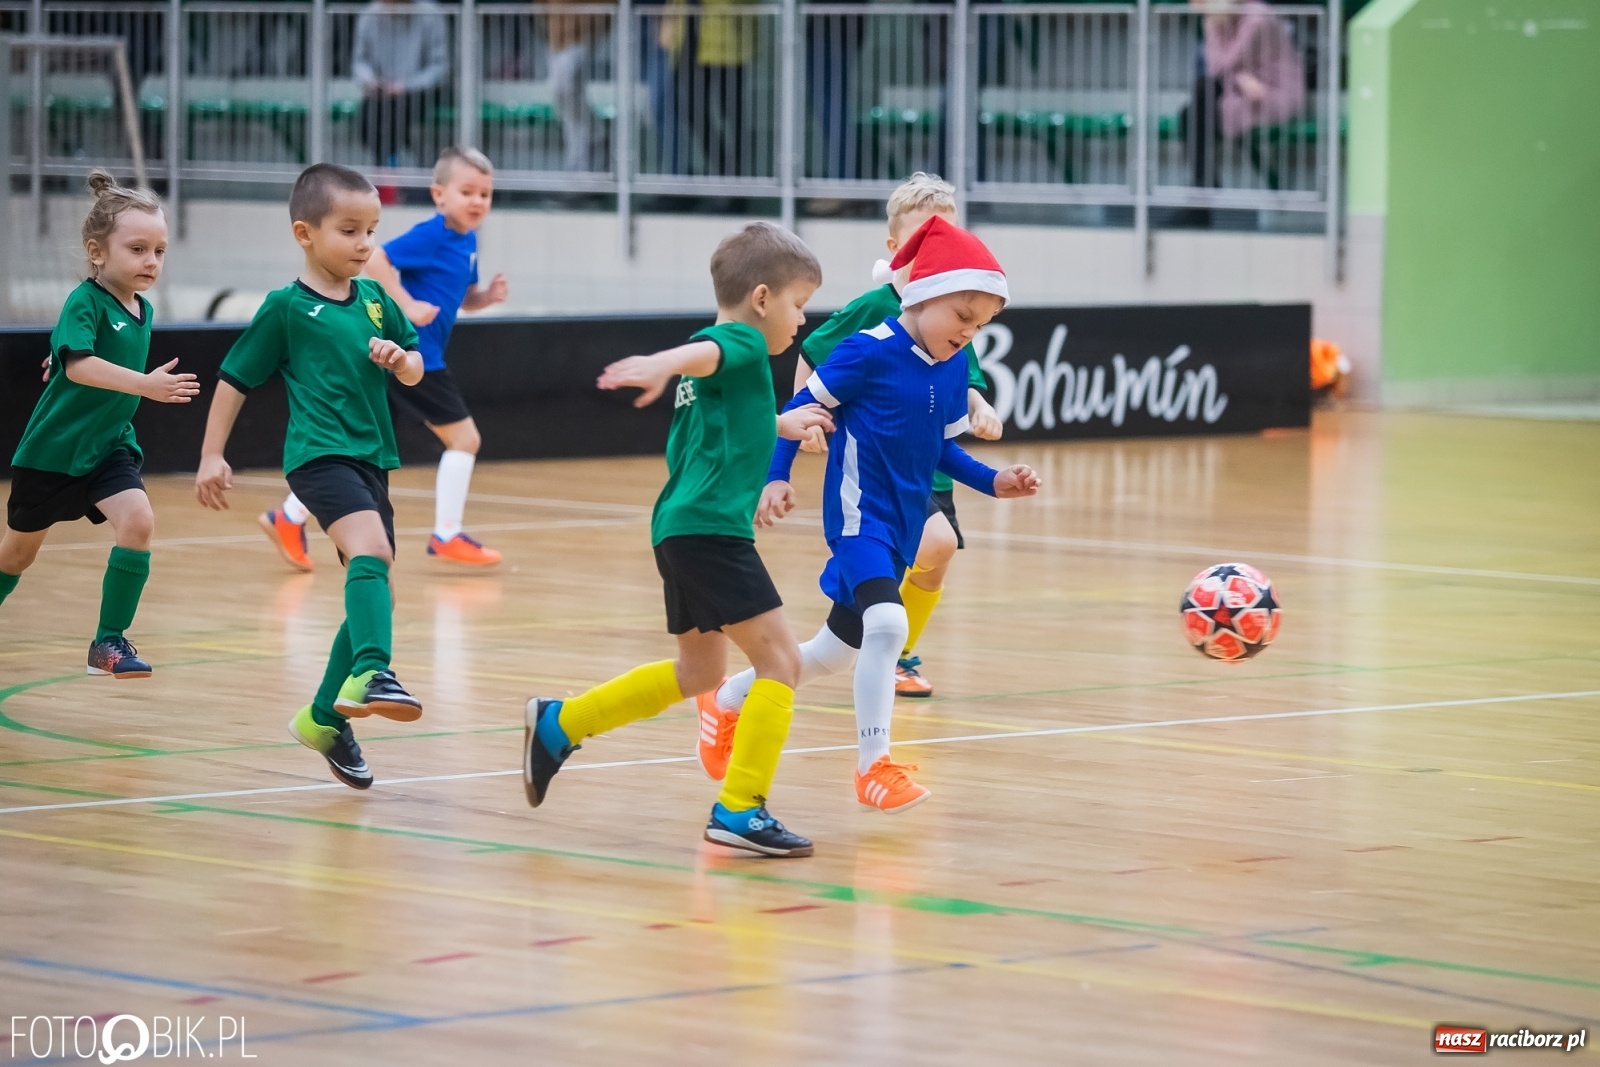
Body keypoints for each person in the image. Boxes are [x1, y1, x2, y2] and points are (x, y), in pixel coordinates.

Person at [520, 222, 834, 858]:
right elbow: (712, 352)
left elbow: (725, 413)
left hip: (681, 528)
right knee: (781, 662)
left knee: (701, 671)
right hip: (709, 532)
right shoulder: (738, 341)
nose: (803, 320)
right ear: (764, 298)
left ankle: (562, 723)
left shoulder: (728, 361)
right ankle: (740, 808)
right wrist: (663, 361)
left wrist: (782, 421)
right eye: (800, 304)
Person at [713, 216, 1040, 813]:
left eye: (982, 325)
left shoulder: (948, 367)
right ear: (921, 293)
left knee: (833, 652)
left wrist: (995, 482)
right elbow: (802, 405)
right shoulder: (867, 351)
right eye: (962, 316)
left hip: (905, 525)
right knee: (888, 626)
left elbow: (941, 448)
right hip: (859, 520)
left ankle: (728, 699)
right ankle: (873, 767)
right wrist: (776, 476)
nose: (969, 333)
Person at [195, 163, 427, 791]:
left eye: (372, 231)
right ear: (304, 232)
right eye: (349, 230)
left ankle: (325, 720)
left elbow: (415, 368)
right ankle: (372, 674)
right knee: (372, 554)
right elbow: (234, 379)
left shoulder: (376, 301)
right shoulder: (286, 310)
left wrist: (401, 359)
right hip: (319, 458)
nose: (364, 244)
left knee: (376, 586)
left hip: (373, 459)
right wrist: (212, 454)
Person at [260, 147, 508, 571]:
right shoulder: (432, 234)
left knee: (359, 451)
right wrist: (408, 304)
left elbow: (460, 297)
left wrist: (484, 298)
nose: (476, 202)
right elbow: (377, 258)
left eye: (484, 194)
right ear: (438, 194)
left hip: (398, 361)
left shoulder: (466, 243)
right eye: (467, 191)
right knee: (465, 439)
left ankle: (288, 516)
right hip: (415, 357)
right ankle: (447, 534)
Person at [0, 172, 197, 677]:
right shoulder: (84, 300)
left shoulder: (142, 309)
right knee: (17, 557)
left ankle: (108, 642)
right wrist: (143, 384)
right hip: (53, 452)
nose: (151, 261)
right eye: (137, 248)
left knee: (138, 521)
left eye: (159, 251)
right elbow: (78, 364)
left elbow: (72, 355)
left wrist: (62, 359)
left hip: (109, 446)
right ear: (96, 251)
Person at [1189, 0, 1305, 190]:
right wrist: (1239, 78)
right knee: (1192, 112)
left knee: (1200, 105)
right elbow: (1215, 67)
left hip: (1272, 92)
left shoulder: (1257, 18)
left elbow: (1228, 63)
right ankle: (1203, 185)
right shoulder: (1214, 20)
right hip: (1240, 90)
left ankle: (1203, 187)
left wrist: (1235, 76)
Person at [353, 0, 453, 170]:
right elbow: (360, 62)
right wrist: (371, 80)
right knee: (369, 117)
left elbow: (440, 67)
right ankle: (387, 173)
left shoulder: (431, 14)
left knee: (393, 114)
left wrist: (406, 86)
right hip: (381, 92)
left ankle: (391, 174)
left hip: (422, 93)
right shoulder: (370, 14)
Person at [540, 0, 605, 173]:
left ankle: (594, 136)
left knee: (564, 89)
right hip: (555, 34)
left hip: (581, 34)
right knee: (566, 102)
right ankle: (577, 170)